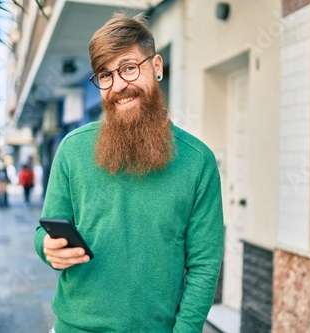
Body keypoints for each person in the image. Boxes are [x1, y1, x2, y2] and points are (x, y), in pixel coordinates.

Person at [34, 12, 224, 333]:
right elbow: (46, 231)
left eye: (129, 68)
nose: (119, 85)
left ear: (157, 67)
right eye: (105, 75)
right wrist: (47, 249)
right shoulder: (72, 149)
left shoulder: (198, 161)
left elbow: (204, 265)